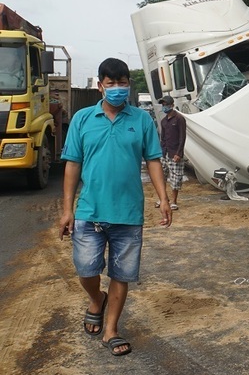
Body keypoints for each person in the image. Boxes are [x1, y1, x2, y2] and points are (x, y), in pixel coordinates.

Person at [58, 58, 172, 357]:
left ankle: (111, 330)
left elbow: (153, 161)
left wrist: (163, 199)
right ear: (100, 87)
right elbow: (72, 166)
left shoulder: (141, 120)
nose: (118, 89)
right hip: (89, 211)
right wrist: (67, 209)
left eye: (123, 84)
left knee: (123, 273)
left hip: (128, 213)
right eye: (111, 85)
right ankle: (97, 299)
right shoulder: (82, 119)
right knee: (85, 269)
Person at [156, 95, 187, 210]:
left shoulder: (179, 119)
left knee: (176, 178)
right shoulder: (164, 121)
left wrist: (179, 153)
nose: (164, 107)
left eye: (166, 104)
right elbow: (162, 138)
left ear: (172, 105)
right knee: (161, 176)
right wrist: (161, 152)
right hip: (165, 153)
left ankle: (174, 201)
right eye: (163, 105)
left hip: (175, 153)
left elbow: (182, 137)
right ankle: (163, 198)